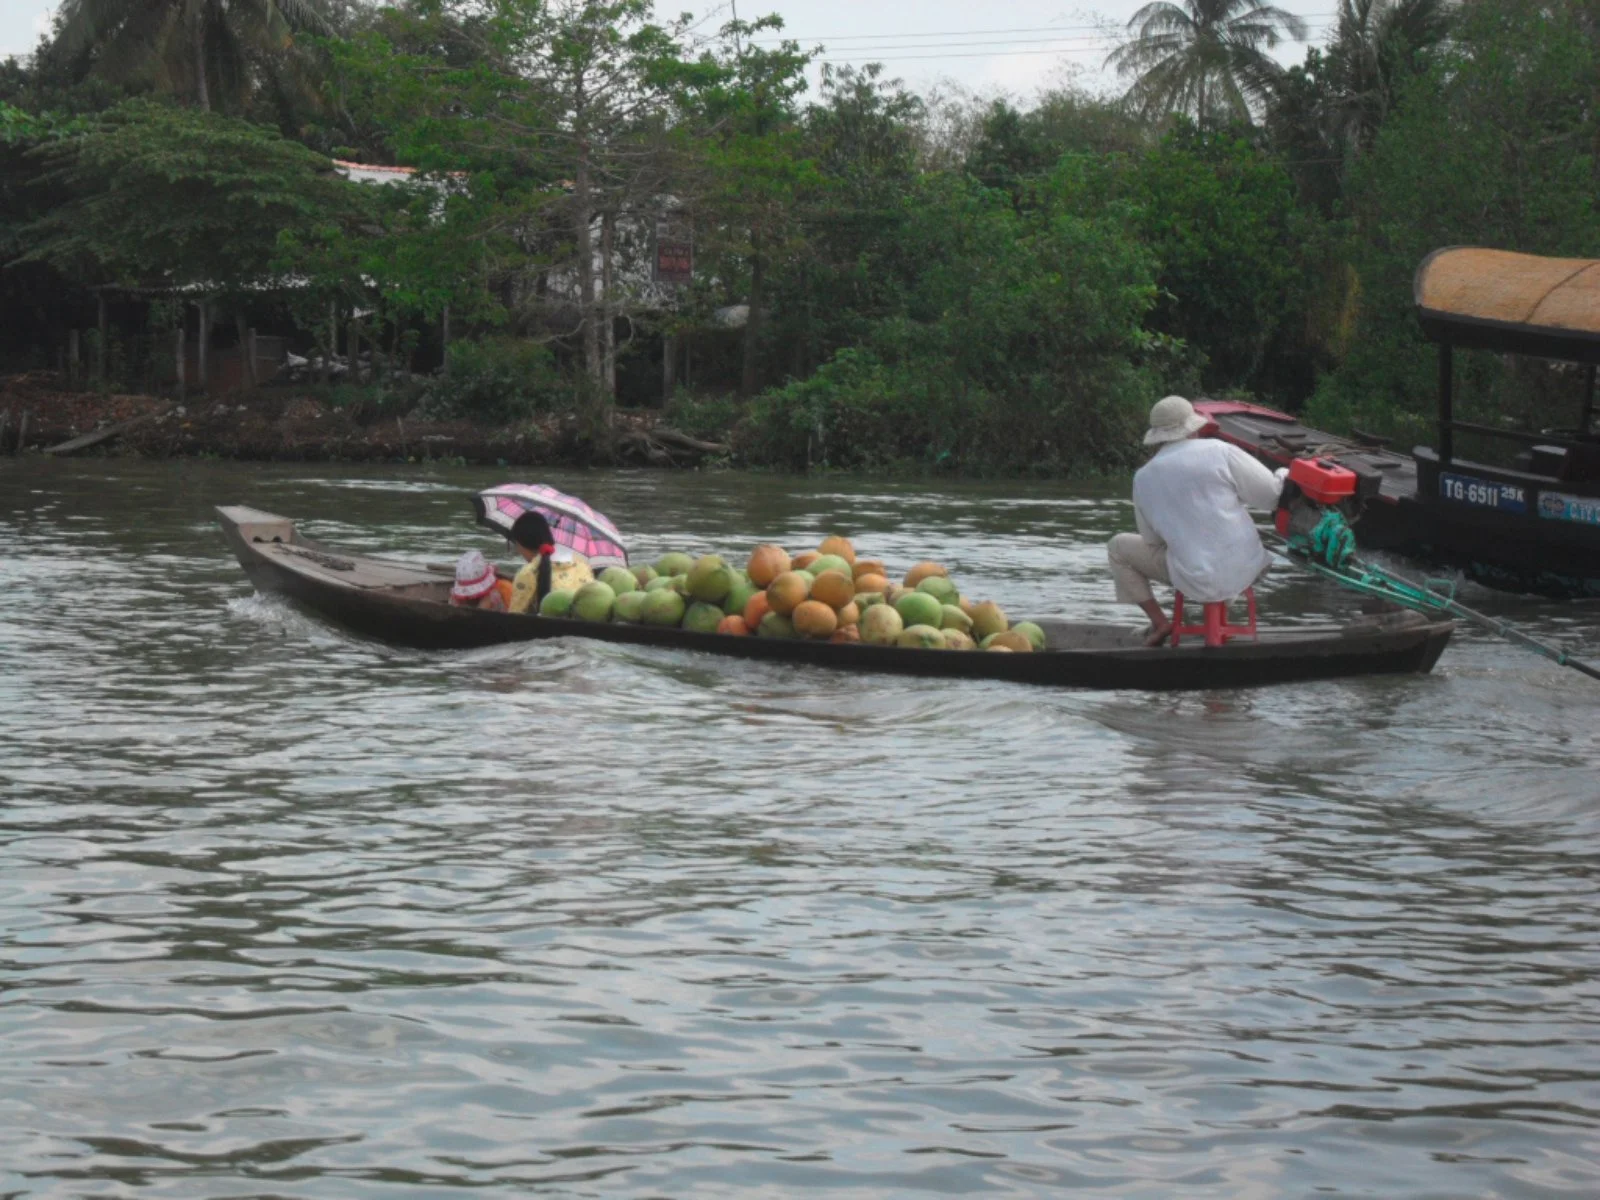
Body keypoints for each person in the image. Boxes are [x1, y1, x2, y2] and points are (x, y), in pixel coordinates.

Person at [1107, 395, 1285, 646]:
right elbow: (1272, 497)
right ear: (1193, 426)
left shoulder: (1143, 477)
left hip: (1194, 576)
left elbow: (1152, 539)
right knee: (1217, 546)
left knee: (1118, 548)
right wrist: (1283, 474)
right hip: (1249, 567)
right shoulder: (1220, 450)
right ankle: (1220, 623)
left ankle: (1160, 623)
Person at [506, 511, 594, 615]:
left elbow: (515, 616)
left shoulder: (528, 573)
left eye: (516, 544)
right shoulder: (581, 563)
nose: (518, 550)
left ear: (521, 543)